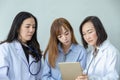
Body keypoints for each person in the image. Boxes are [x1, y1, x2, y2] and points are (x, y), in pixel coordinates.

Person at [0, 11, 43, 80]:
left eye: (34, 27)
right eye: (27, 26)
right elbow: (2, 76)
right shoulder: (5, 48)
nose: (31, 30)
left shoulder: (35, 50)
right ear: (17, 28)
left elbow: (40, 76)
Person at [76, 16, 120, 80]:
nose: (87, 37)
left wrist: (91, 79)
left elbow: (114, 77)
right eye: (84, 34)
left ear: (99, 30)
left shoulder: (112, 52)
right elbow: (88, 73)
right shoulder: (90, 54)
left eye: (90, 32)